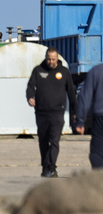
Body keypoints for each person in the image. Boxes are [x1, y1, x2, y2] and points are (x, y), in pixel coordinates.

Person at [27, 48, 76, 177]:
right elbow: (30, 86)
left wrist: (75, 111)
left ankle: (52, 167)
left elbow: (71, 93)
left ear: (57, 59)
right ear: (46, 57)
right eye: (49, 59)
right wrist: (30, 97)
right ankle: (45, 166)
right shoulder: (38, 70)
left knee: (54, 140)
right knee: (43, 141)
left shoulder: (64, 72)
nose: (51, 62)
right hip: (41, 113)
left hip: (57, 113)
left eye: (53, 59)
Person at [76, 62, 103, 169]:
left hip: (99, 117)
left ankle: (99, 179)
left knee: (97, 151)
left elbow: (85, 98)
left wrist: (80, 121)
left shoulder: (95, 71)